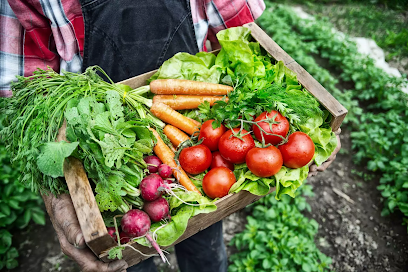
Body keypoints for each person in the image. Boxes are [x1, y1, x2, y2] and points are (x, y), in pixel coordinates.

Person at [0, 0, 341, 271]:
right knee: (130, 253)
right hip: (100, 146)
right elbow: (27, 95)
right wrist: (59, 196)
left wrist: (312, 121)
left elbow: (242, 33)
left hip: (200, 171)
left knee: (206, 248)